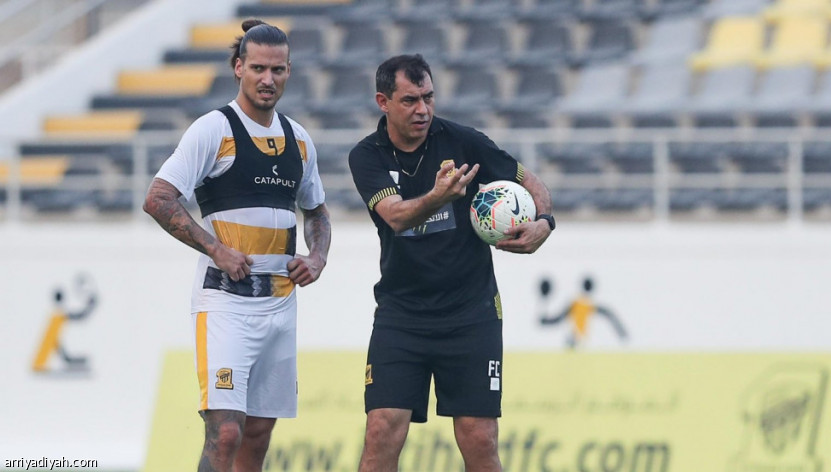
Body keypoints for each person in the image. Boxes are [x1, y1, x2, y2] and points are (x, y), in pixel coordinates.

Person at [348, 54, 555, 472]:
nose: (422, 109)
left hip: (470, 313)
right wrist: (438, 197)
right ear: (383, 102)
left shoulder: (465, 143)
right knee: (381, 429)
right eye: (409, 100)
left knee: (479, 437)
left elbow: (531, 183)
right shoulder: (367, 156)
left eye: (428, 97)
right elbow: (396, 217)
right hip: (402, 316)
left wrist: (544, 223)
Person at [143, 19, 331, 472]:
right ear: (238, 68)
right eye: (259, 68)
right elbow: (158, 198)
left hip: (280, 303)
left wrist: (317, 257)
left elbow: (318, 212)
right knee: (226, 432)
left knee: (259, 432)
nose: (268, 79)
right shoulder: (214, 129)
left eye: (278, 70)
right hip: (225, 303)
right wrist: (216, 250)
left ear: (289, 72)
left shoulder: (299, 139)